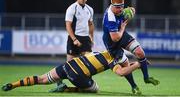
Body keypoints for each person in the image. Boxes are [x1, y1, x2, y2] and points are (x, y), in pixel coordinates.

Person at [2, 50, 141, 93]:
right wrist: (139, 64)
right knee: (95, 89)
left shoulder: (98, 51)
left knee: (42, 79)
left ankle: (13, 85)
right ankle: (66, 89)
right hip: (77, 75)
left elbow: (86, 53)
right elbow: (121, 72)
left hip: (68, 65)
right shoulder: (112, 59)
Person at [102, 0, 160, 94]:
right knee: (125, 65)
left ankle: (146, 78)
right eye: (117, 7)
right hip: (112, 42)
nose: (120, 9)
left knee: (140, 53)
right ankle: (134, 86)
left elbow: (131, 10)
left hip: (121, 34)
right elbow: (115, 38)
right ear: (112, 6)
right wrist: (123, 27)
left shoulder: (120, 10)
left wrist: (131, 11)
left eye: (122, 7)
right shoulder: (110, 18)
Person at [50, 0, 94, 92]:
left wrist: (91, 36)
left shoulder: (90, 9)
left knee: (89, 62)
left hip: (85, 39)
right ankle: (59, 81)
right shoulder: (72, 8)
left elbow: (91, 24)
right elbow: (68, 26)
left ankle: (87, 84)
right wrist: (74, 39)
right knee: (69, 65)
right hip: (73, 38)